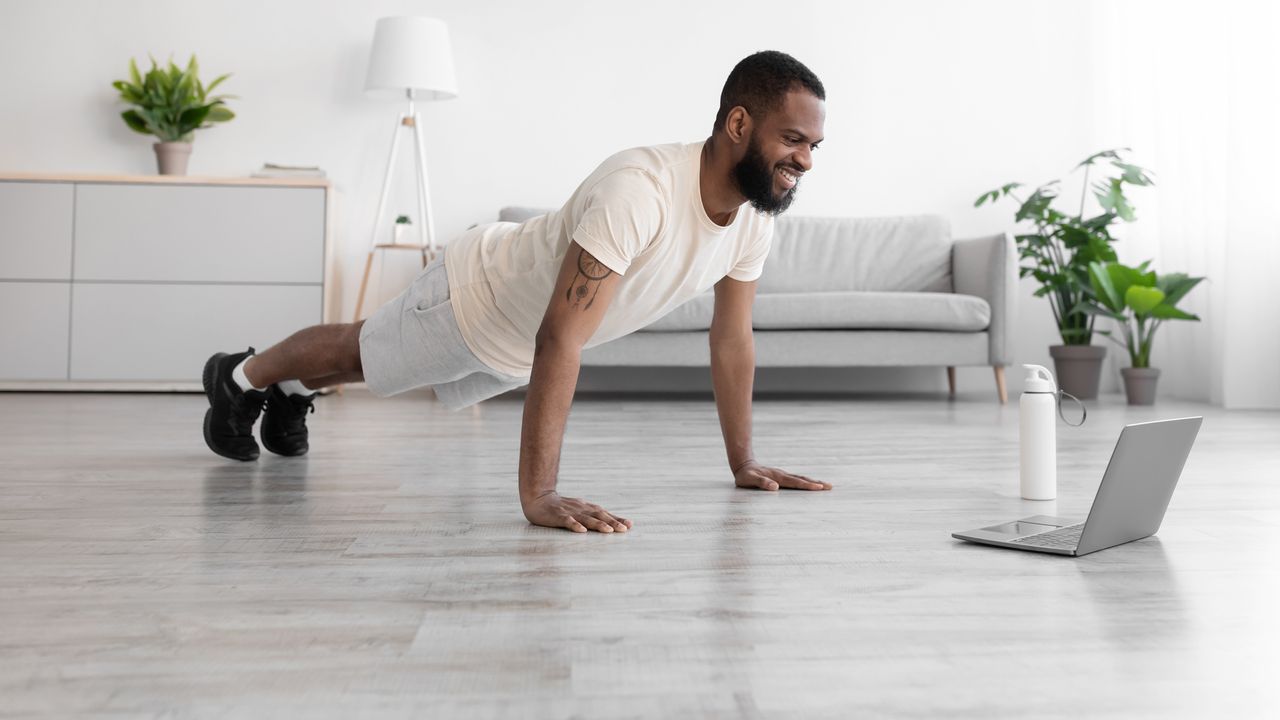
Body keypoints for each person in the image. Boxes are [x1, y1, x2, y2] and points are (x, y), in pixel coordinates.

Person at [201, 50, 833, 533]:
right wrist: (540, 495)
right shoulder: (641, 190)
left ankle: (285, 391)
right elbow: (562, 335)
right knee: (358, 355)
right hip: (479, 297)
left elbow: (731, 339)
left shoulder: (754, 216)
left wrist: (743, 462)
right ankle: (240, 375)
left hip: (516, 340)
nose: (804, 160)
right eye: (792, 139)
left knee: (375, 367)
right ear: (738, 122)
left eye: (813, 145)